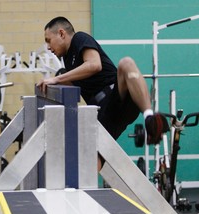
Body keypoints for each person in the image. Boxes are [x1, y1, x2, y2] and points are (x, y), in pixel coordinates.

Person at [36, 16, 169, 170]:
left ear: (61, 33)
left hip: (116, 97)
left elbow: (94, 65)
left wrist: (56, 79)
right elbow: (73, 83)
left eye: (48, 40)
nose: (48, 47)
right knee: (91, 160)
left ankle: (149, 117)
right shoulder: (68, 60)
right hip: (105, 116)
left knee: (126, 63)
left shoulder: (79, 38)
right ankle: (84, 191)